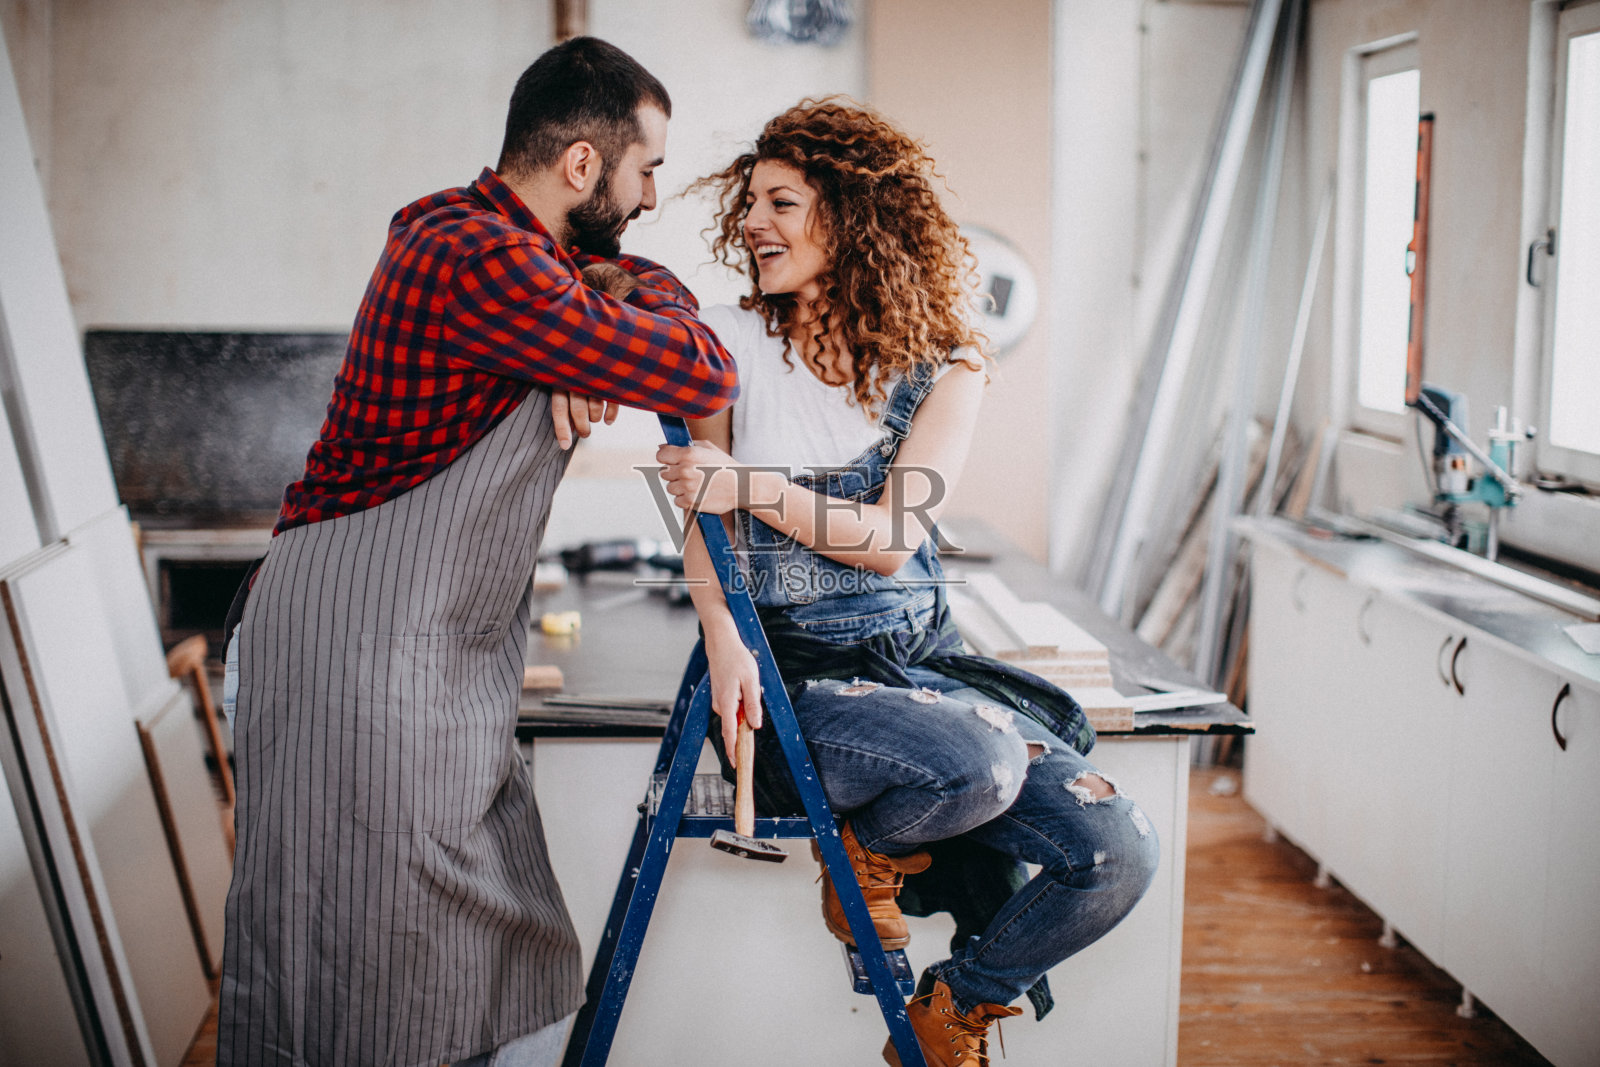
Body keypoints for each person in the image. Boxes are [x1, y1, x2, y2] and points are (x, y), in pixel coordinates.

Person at [217, 37, 737, 1067]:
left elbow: (620, 321)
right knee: (366, 943)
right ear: (582, 167)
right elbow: (701, 367)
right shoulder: (480, 259)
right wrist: (618, 306)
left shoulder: (499, 249)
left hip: (421, 645)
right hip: (359, 645)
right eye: (646, 172)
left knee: (436, 934)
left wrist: (596, 305)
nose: (649, 199)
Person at [656, 99, 1160, 1067]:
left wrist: (745, 482)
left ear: (854, 218)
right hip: (788, 678)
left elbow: (888, 539)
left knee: (1115, 847)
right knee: (978, 763)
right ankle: (859, 855)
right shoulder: (723, 340)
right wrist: (720, 629)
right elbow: (701, 519)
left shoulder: (944, 367)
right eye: (749, 202)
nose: (753, 223)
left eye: (783, 202)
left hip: (917, 666)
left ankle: (951, 1011)